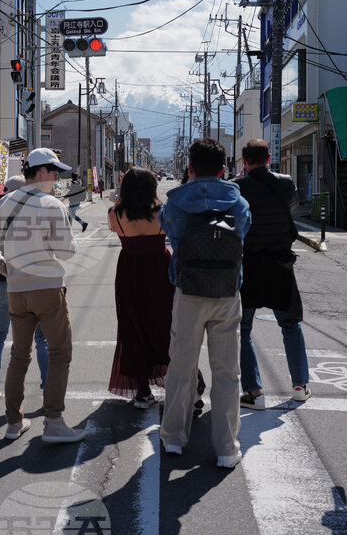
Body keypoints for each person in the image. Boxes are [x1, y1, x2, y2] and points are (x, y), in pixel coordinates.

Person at [0, 148, 86, 444]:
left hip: (16, 289)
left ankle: (14, 422)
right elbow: (66, 252)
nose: (56, 178)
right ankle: (53, 422)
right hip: (48, 287)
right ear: (40, 172)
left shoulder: (3, 204)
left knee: (18, 355)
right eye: (54, 172)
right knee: (60, 353)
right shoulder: (52, 204)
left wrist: (7, 270)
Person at [159, 138, 251, 468]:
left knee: (181, 367)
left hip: (188, 290)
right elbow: (244, 234)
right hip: (227, 292)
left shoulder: (175, 202)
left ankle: (173, 438)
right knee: (227, 372)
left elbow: (168, 230)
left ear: (190, 169)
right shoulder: (238, 202)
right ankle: (226, 448)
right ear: (225, 170)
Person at [234, 139, 311, 410]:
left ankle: (255, 393)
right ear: (269, 158)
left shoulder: (237, 187)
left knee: (244, 329)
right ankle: (300, 386)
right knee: (290, 325)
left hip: (249, 265)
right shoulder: (286, 183)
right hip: (281, 265)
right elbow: (291, 206)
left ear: (245, 161)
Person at [0, 175, 49, 405]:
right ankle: (49, 387)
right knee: (41, 337)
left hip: (1, 280)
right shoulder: (35, 214)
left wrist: (1, 271)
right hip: (31, 281)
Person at [106, 166, 174, 408]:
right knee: (165, 324)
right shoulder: (163, 212)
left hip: (129, 270)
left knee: (132, 327)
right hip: (161, 269)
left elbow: (114, 230)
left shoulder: (115, 213)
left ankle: (142, 392)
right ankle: (189, 380)